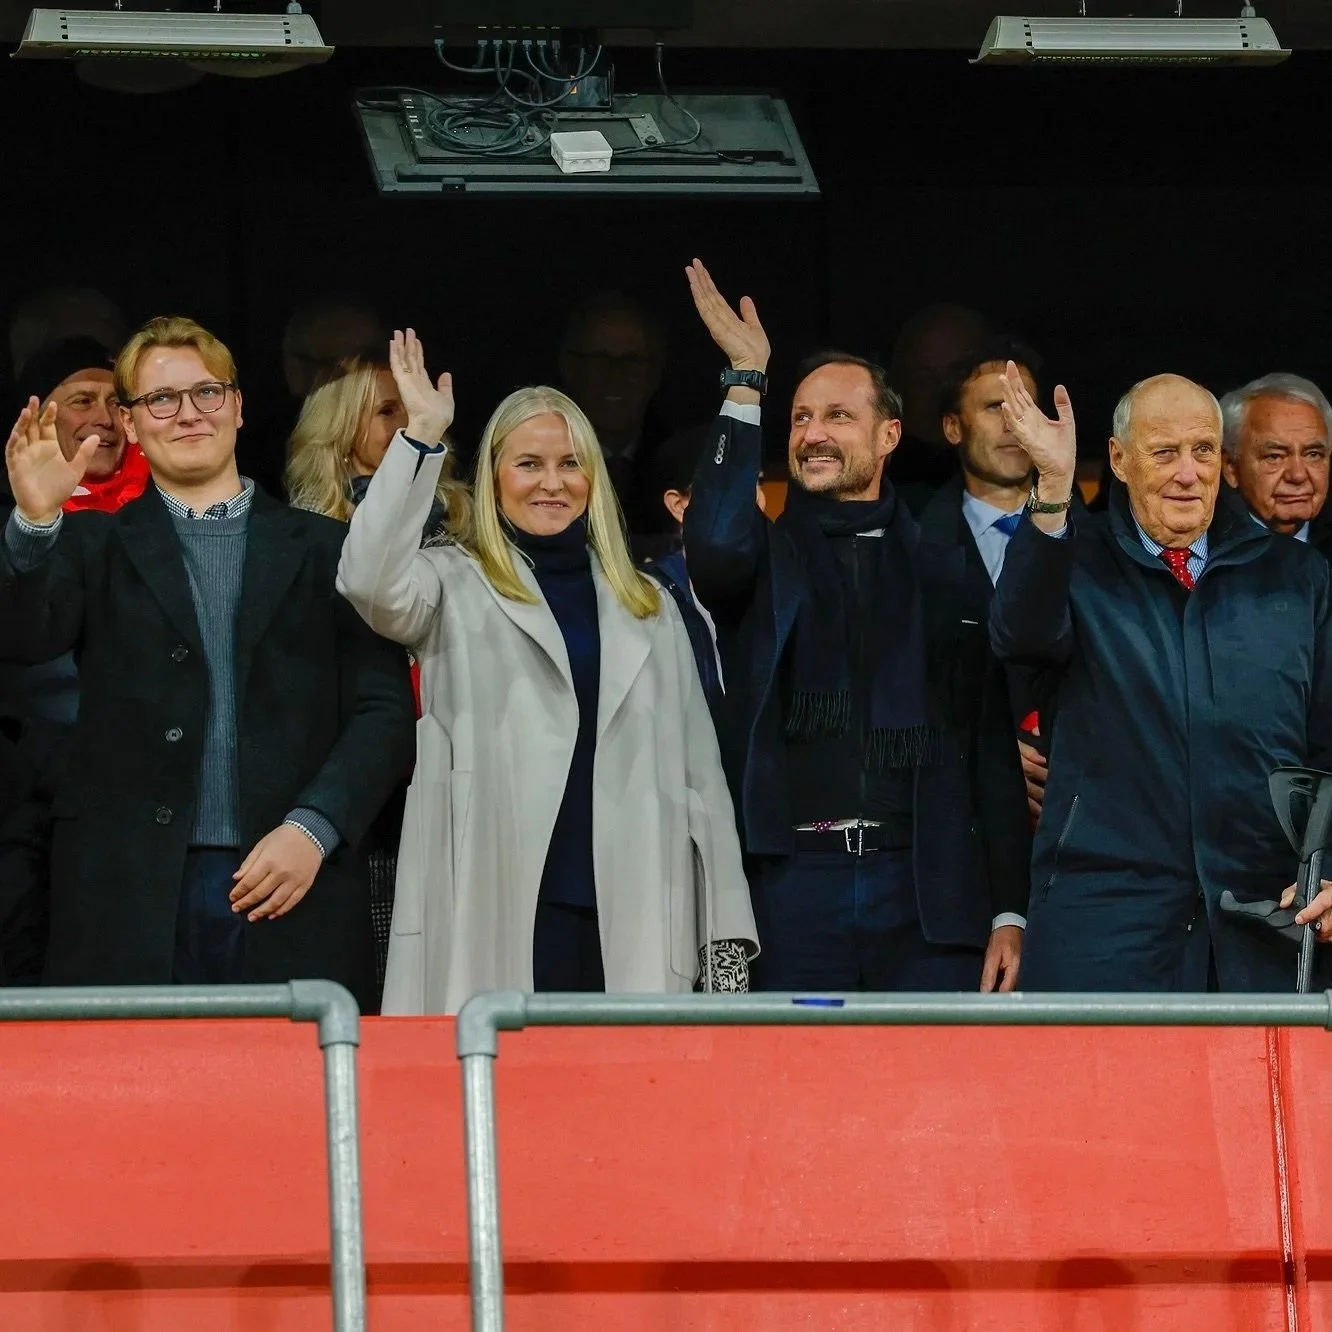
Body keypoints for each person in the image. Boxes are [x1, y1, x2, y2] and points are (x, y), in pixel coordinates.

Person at [337, 330, 757, 1015]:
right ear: (494, 476)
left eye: (570, 464)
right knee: (504, 1103)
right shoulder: (450, 584)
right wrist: (420, 439)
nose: (552, 482)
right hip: (496, 904)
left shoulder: (648, 604)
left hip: (635, 909)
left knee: (624, 1108)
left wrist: (726, 944)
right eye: (528, 463)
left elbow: (700, 780)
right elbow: (368, 580)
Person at [0, 315, 415, 1007]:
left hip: (291, 879)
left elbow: (383, 709)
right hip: (126, 893)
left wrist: (314, 828)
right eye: (161, 399)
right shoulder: (89, 543)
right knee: (134, 1106)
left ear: (239, 406)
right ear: (130, 424)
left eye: (206, 393)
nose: (187, 414)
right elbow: (22, 638)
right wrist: (35, 521)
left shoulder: (326, 548)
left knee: (288, 1108)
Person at [682, 260, 1027, 994]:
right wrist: (746, 382)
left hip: (927, 891)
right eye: (802, 417)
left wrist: (1008, 908)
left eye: (838, 416)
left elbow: (988, 748)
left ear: (890, 434)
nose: (813, 434)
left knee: (928, 1102)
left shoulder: (947, 563)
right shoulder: (762, 556)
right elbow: (711, 542)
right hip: (793, 890)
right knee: (797, 1099)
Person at [990, 364, 1332, 991]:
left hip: (1266, 920)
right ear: (1118, 460)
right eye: (1165, 452)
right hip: (1105, 920)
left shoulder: (1296, 577)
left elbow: (1328, 746)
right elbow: (1019, 636)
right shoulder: (1075, 557)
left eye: (1202, 450)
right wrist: (1055, 486)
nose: (1187, 472)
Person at [285, 354, 469, 995]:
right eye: (387, 409)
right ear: (339, 428)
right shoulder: (305, 540)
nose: (409, 418)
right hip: (367, 803)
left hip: (455, 783)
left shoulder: (467, 526)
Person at [640, 422, 768, 723]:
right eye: (725, 484)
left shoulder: (783, 583)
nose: (751, 498)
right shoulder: (648, 598)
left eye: (755, 481)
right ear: (679, 505)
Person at [558, 291, 670, 542]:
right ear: (569, 367)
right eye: (599, 359)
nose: (615, 375)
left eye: (633, 361)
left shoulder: (680, 461)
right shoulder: (538, 464)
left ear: (656, 372)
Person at [1219, 373, 1330, 550]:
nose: (1298, 475)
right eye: (1274, 456)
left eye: (1313, 454)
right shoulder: (1203, 554)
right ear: (1231, 468)